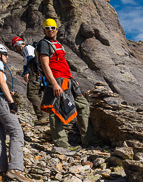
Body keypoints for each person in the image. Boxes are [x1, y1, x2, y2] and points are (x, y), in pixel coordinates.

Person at [37, 18, 99, 150]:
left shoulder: (58, 44)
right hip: (57, 80)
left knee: (83, 105)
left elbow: (63, 64)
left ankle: (88, 139)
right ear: (44, 30)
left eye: (52, 28)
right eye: (47, 28)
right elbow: (45, 65)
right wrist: (54, 83)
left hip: (67, 79)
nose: (50, 30)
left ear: (57, 30)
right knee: (55, 110)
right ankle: (61, 143)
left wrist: (72, 79)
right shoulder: (44, 44)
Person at [0, 43, 31, 182]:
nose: (7, 57)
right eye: (5, 54)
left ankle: (0, 169)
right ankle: (15, 169)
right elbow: (2, 83)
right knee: (16, 132)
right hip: (0, 102)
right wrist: (11, 101)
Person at [11, 36, 47, 123]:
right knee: (37, 93)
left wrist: (27, 71)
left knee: (31, 94)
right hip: (38, 71)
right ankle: (43, 116)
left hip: (33, 71)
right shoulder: (30, 48)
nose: (16, 49)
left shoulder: (27, 48)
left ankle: (43, 116)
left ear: (18, 45)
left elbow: (30, 59)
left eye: (15, 47)